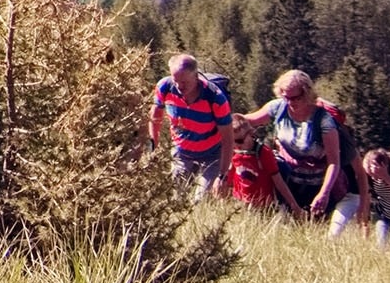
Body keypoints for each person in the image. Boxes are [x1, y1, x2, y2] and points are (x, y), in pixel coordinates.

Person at [244, 70, 354, 228]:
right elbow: (248, 121)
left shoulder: (323, 120)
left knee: (313, 232)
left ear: (307, 93)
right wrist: (221, 114)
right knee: (284, 229)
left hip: (315, 188)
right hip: (286, 183)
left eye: (295, 98)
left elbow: (333, 162)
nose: (290, 102)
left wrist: (324, 193)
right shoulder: (278, 108)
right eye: (285, 97)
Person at [148, 54, 233, 197]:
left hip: (212, 154)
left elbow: (228, 138)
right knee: (176, 200)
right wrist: (153, 148)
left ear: (196, 76)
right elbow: (155, 116)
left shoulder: (215, 98)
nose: (180, 86)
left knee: (202, 200)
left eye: (185, 82)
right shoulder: (165, 87)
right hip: (181, 153)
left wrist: (222, 176)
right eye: (176, 81)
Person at [228, 118, 300, 215]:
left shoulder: (263, 153)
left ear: (251, 134)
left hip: (263, 206)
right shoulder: (234, 151)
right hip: (240, 203)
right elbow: (230, 175)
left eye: (239, 141)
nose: (236, 145)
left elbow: (279, 182)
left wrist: (294, 206)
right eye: (232, 141)